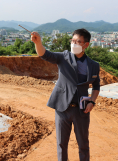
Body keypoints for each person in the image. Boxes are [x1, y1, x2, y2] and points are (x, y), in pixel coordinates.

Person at [31, 28, 100, 161]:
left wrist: (92, 101)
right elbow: (45, 54)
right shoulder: (64, 57)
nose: (74, 44)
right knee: (61, 144)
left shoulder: (93, 65)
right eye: (72, 40)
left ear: (86, 44)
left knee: (83, 145)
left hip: (82, 110)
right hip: (62, 108)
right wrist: (38, 43)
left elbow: (96, 85)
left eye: (78, 41)